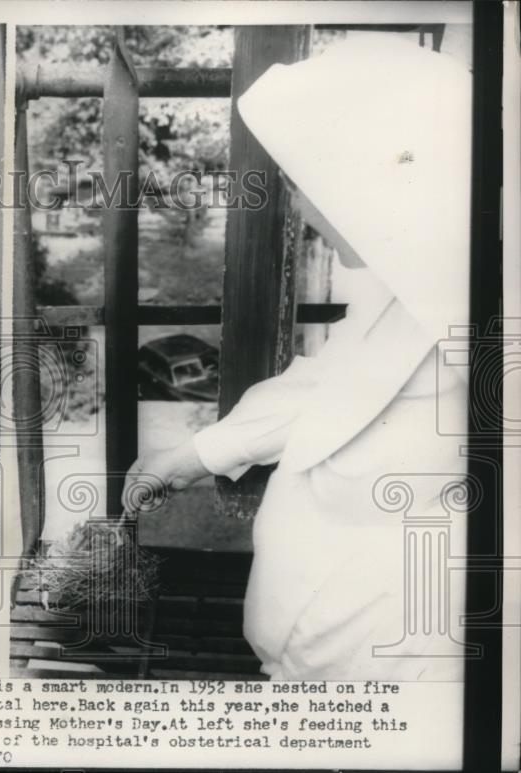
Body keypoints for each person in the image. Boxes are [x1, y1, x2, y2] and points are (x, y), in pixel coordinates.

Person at [123, 36, 472, 681]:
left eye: (305, 187)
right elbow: (329, 385)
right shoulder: (412, 288)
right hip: (312, 661)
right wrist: (194, 456)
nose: (304, 213)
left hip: (390, 683)